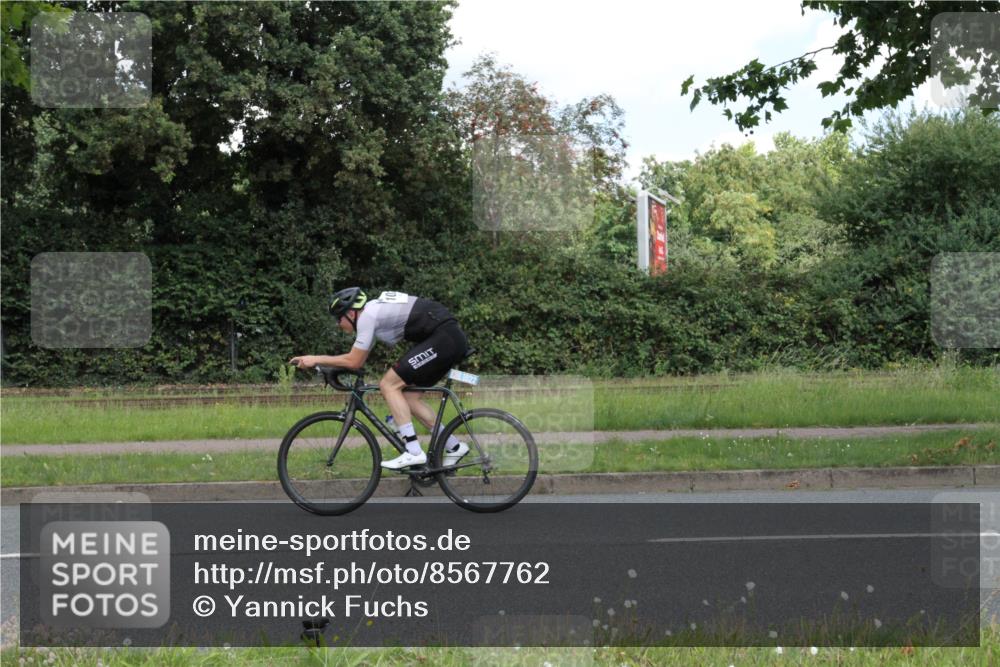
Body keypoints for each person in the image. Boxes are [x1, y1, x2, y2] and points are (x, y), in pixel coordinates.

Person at [289, 287, 470, 470]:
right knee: (409, 398)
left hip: (444, 338)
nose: (338, 324)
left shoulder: (368, 317)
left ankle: (414, 452)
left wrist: (315, 359)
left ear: (351, 313)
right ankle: (454, 446)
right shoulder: (373, 314)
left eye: (339, 318)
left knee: (388, 385)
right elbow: (357, 359)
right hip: (446, 338)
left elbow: (354, 361)